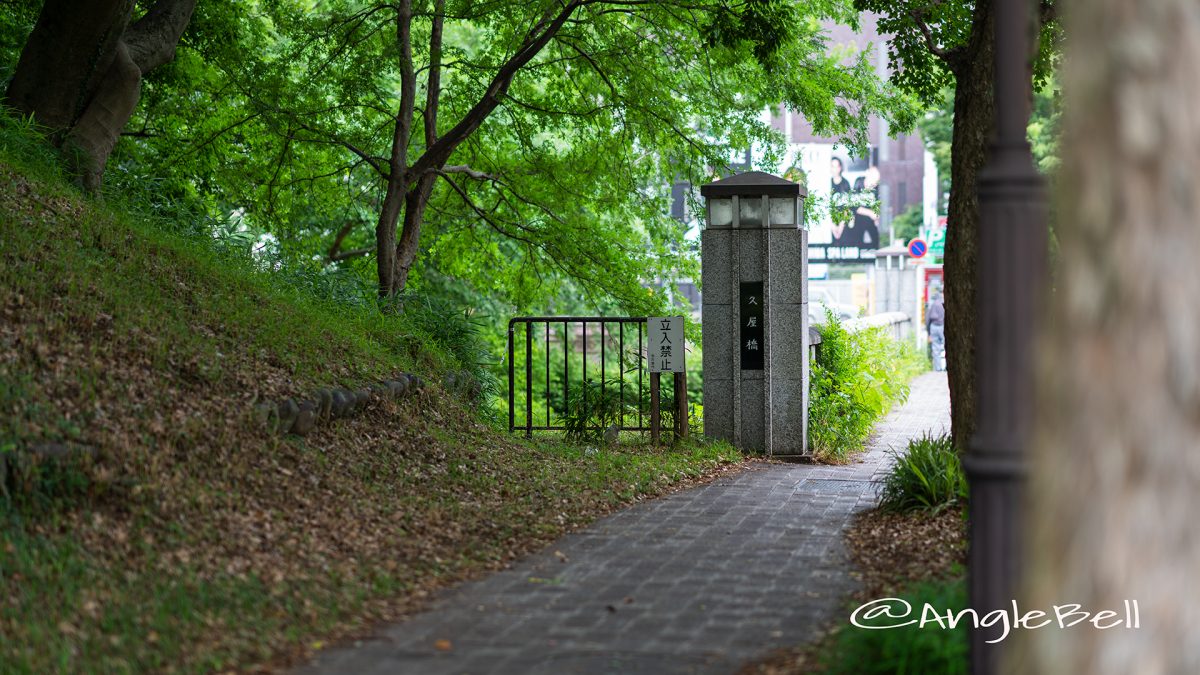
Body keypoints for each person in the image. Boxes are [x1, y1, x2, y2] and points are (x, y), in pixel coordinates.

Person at [844, 165, 881, 249]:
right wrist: (870, 213)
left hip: (870, 222)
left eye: (876, 181)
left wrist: (877, 217)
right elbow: (854, 206)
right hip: (857, 221)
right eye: (873, 178)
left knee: (876, 241)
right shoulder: (858, 183)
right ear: (867, 173)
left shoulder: (877, 189)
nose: (874, 183)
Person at [829, 157, 852, 243]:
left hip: (843, 222)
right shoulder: (827, 183)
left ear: (840, 168)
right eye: (832, 166)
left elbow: (847, 207)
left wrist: (841, 226)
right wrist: (832, 225)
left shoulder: (845, 183)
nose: (835, 169)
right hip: (830, 222)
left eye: (837, 166)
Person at [926, 292, 946, 372]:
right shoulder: (943, 304)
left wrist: (928, 332)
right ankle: (946, 368)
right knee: (945, 346)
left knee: (936, 348)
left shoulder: (933, 305)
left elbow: (927, 319)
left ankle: (938, 368)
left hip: (933, 326)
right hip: (943, 326)